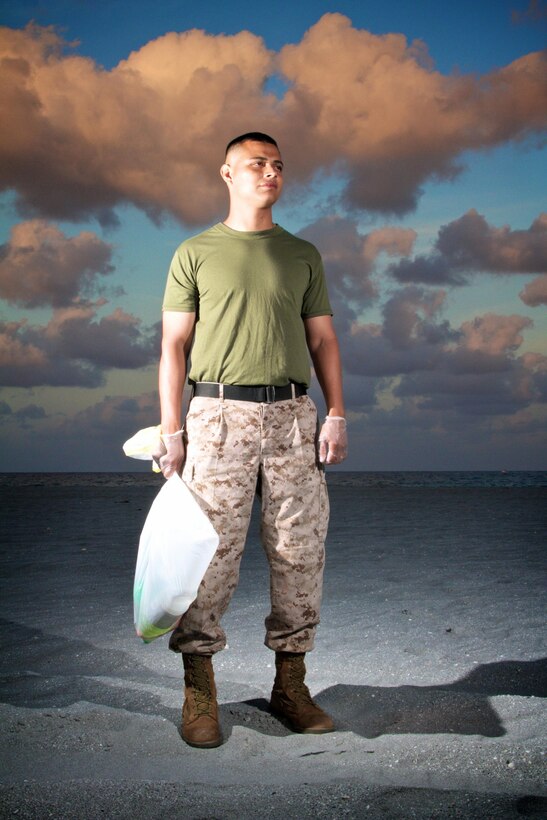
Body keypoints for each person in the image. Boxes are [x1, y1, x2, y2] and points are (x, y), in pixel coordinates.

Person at [155, 132, 347, 748]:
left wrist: (337, 412)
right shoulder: (194, 252)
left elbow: (322, 341)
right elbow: (173, 347)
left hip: (293, 416)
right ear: (227, 173)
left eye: (279, 165)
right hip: (216, 416)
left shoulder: (303, 254)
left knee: (300, 551)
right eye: (258, 164)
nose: (271, 172)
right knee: (209, 555)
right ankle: (199, 691)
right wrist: (171, 429)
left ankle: (289, 687)